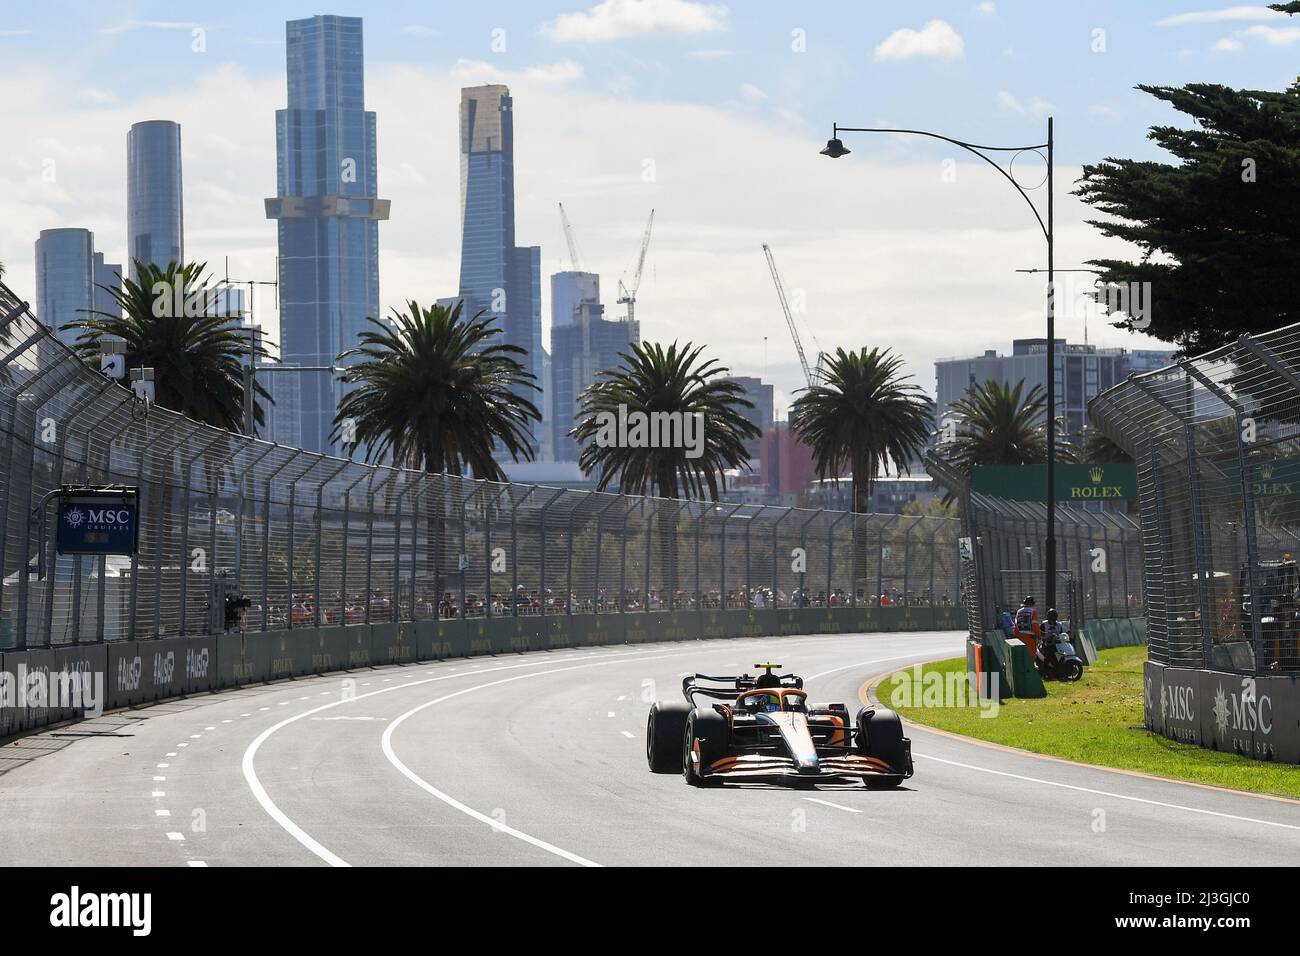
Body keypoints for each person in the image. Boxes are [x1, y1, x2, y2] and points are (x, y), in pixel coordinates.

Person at [1013, 595, 1041, 659]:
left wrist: (1016, 636)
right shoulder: (1033, 612)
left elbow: (1016, 626)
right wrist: (1039, 636)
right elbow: (1035, 626)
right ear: (1032, 603)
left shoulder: (1019, 612)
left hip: (1020, 638)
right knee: (1030, 659)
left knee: (1022, 658)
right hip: (1030, 639)